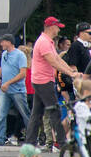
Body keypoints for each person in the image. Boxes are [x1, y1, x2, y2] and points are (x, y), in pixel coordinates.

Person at [25, 16, 80, 149]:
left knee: (37, 113)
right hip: (43, 81)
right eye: (57, 27)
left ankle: (30, 142)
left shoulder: (47, 41)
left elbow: (57, 59)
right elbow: (53, 61)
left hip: (41, 80)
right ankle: (61, 142)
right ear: (51, 27)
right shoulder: (44, 42)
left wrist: (71, 71)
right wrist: (70, 73)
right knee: (54, 111)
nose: (58, 30)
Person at [0, 34, 30, 146]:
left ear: (9, 42)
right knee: (1, 114)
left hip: (17, 90)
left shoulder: (20, 55)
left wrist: (8, 82)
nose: (1, 44)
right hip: (5, 90)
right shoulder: (4, 54)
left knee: (25, 114)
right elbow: (3, 67)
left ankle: (31, 137)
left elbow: (22, 73)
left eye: (3, 42)